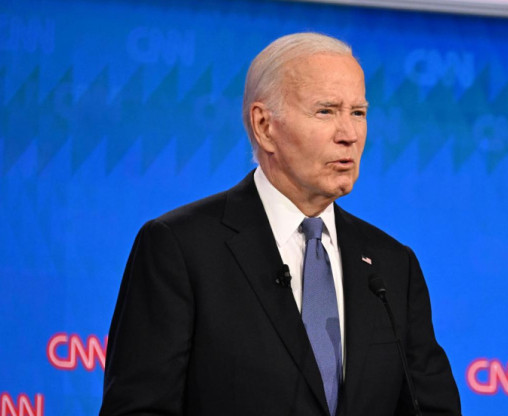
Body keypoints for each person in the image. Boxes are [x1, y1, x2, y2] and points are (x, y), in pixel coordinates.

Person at [100, 32, 461, 416]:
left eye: (358, 112)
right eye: (326, 111)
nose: (349, 135)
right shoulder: (180, 249)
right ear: (264, 126)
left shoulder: (391, 266)